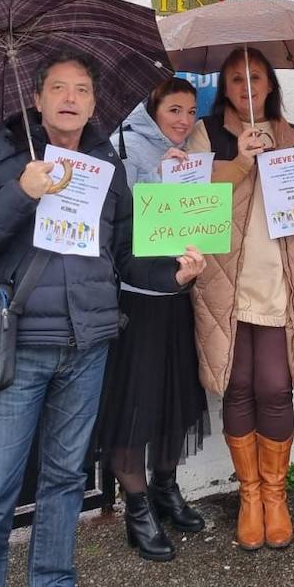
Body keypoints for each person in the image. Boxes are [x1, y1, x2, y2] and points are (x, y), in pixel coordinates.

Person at [0, 53, 205, 587]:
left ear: (93, 103)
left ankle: (54, 585)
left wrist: (174, 275)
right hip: (17, 348)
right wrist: (21, 192)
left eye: (82, 90)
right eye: (58, 88)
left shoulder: (103, 165)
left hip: (88, 345)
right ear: (36, 100)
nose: (70, 98)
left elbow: (126, 254)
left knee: (65, 483)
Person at [185, 48, 294, 551]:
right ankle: (250, 496)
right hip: (227, 280)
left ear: (269, 83)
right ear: (224, 88)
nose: (246, 87)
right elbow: (191, 198)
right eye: (235, 80)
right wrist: (240, 163)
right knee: (238, 383)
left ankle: (276, 495)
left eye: (254, 77)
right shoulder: (206, 135)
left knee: (275, 385)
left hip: (280, 279)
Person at [98, 77, 211, 561]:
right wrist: (156, 181)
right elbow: (120, 228)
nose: (183, 120)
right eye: (174, 110)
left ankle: (166, 489)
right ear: (152, 110)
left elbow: (197, 217)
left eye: (189, 110)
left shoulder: (192, 153)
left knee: (175, 400)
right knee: (135, 407)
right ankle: (137, 508)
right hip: (137, 298)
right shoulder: (124, 149)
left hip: (178, 293)